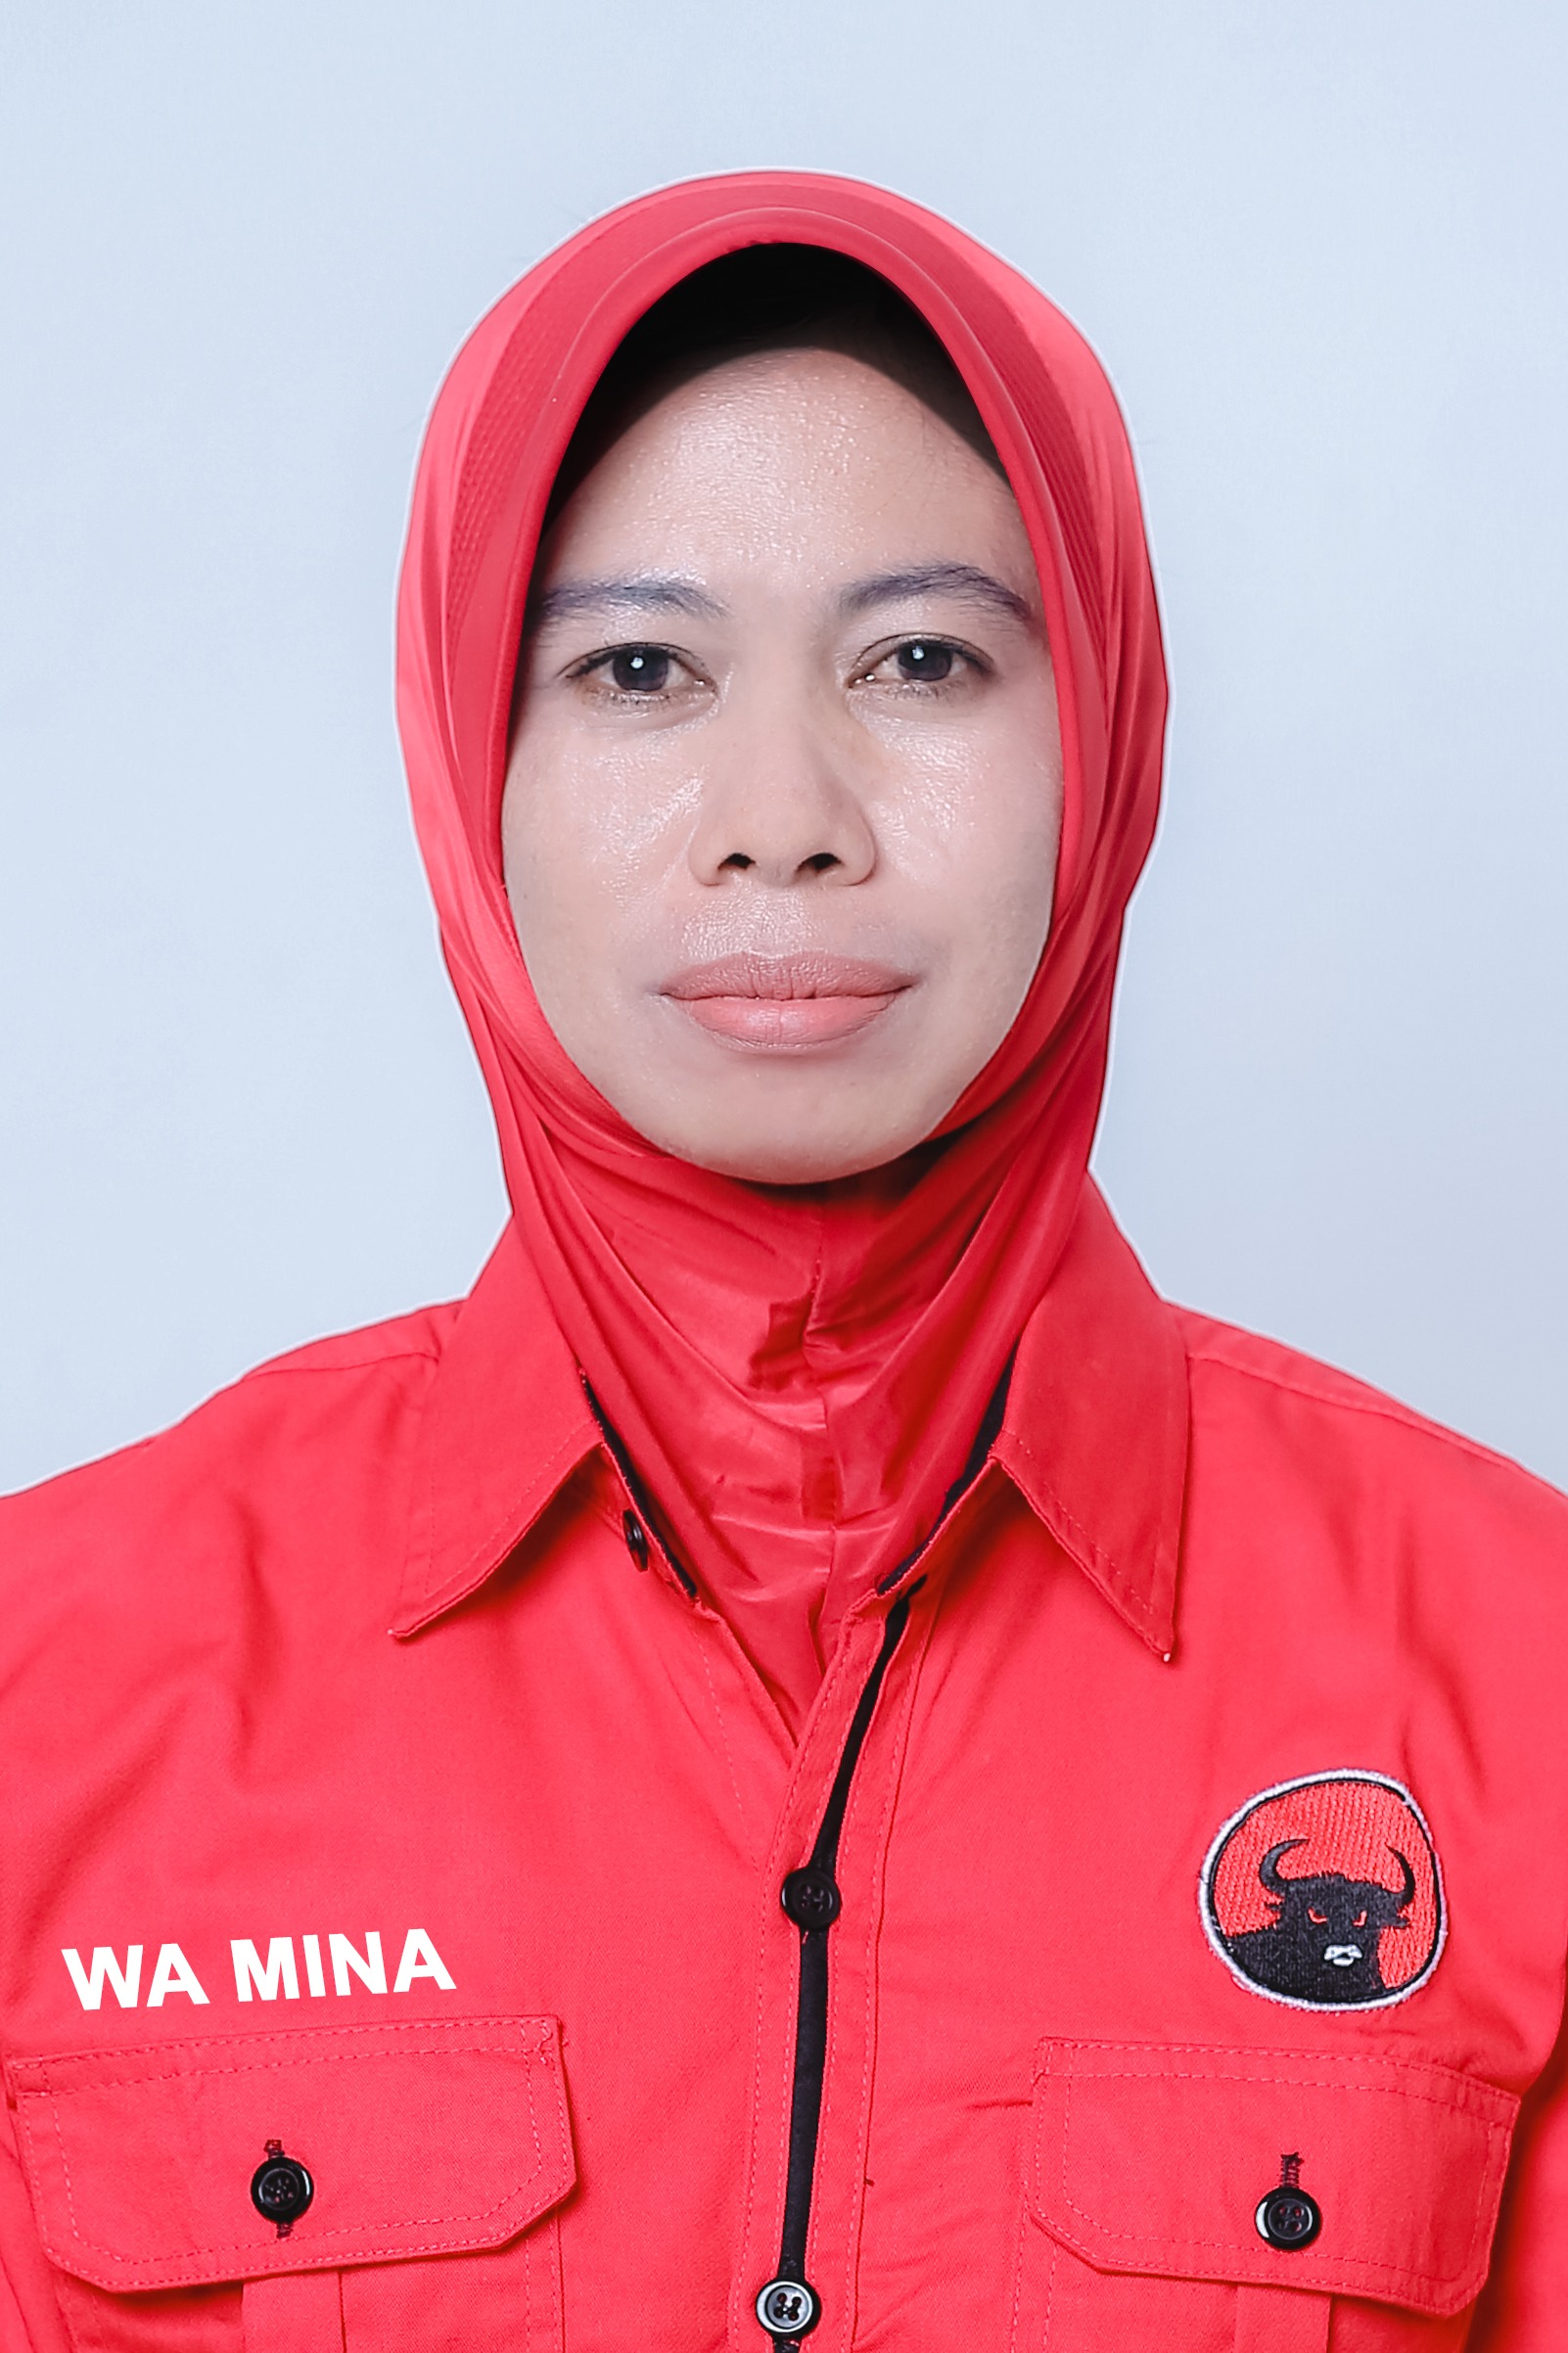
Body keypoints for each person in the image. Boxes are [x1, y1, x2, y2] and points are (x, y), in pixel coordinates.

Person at [0, 171, 1563, 2353]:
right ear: (469, 759)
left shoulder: (1517, 1670)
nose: (782, 814)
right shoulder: (54, 1688)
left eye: (921, 660)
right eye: (638, 668)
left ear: (1104, 739)